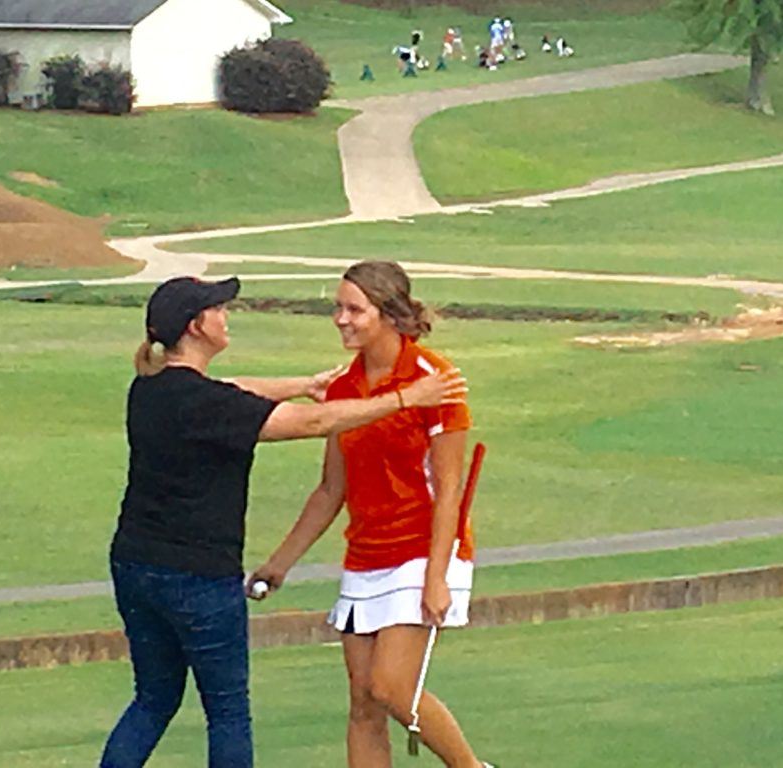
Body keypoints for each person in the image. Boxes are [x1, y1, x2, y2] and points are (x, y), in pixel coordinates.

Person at [100, 275, 467, 768]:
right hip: (199, 576)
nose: (225, 315)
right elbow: (314, 423)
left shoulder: (150, 388)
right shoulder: (212, 404)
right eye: (218, 309)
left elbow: (233, 388)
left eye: (352, 309)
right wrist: (405, 398)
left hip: (134, 566)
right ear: (197, 326)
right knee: (229, 713)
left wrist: (304, 384)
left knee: (154, 699)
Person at [250, 262, 495, 768]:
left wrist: (435, 578)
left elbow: (448, 490)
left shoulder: (435, 380)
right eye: (337, 308)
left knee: (391, 688)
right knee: (363, 701)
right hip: (367, 553)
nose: (341, 319)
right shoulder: (343, 388)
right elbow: (330, 489)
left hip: (422, 549)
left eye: (353, 309)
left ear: (387, 314)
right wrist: (280, 562)